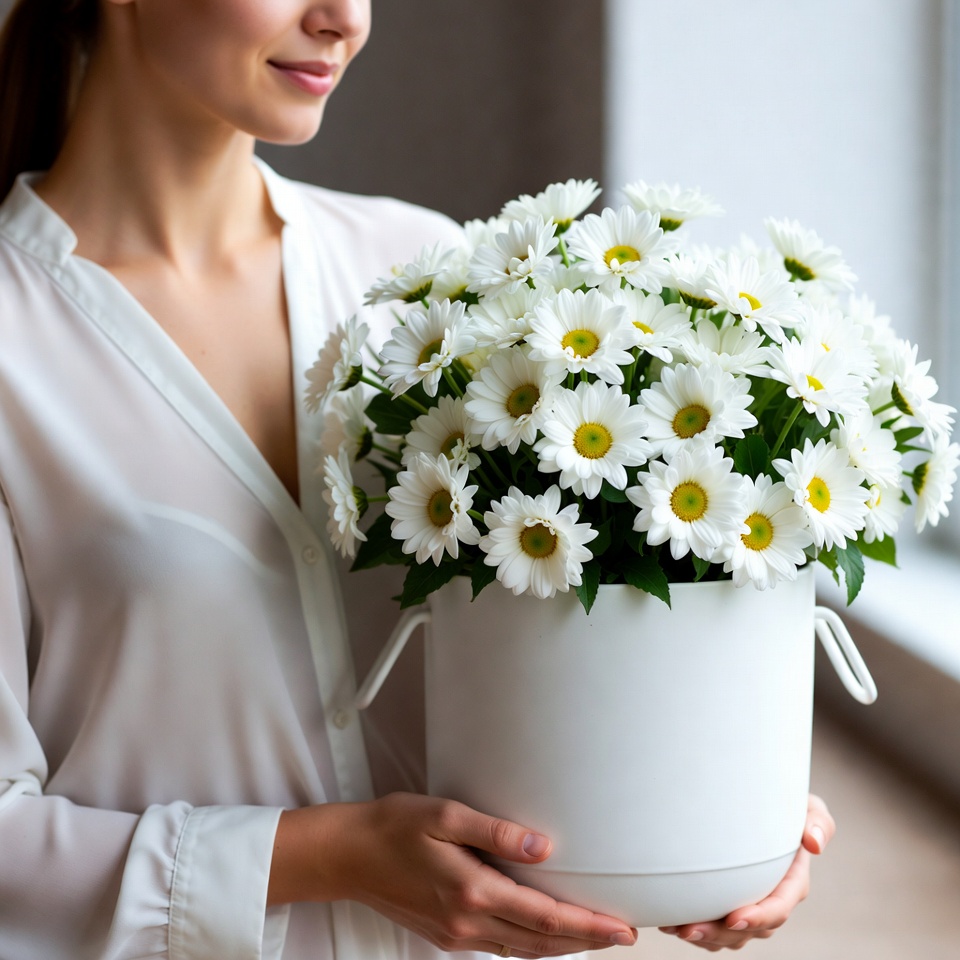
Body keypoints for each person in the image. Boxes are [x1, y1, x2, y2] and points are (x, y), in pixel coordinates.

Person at [0, 1, 836, 957]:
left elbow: (559, 652)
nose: (342, 19)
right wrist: (328, 856)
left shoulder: (420, 279)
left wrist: (721, 806)